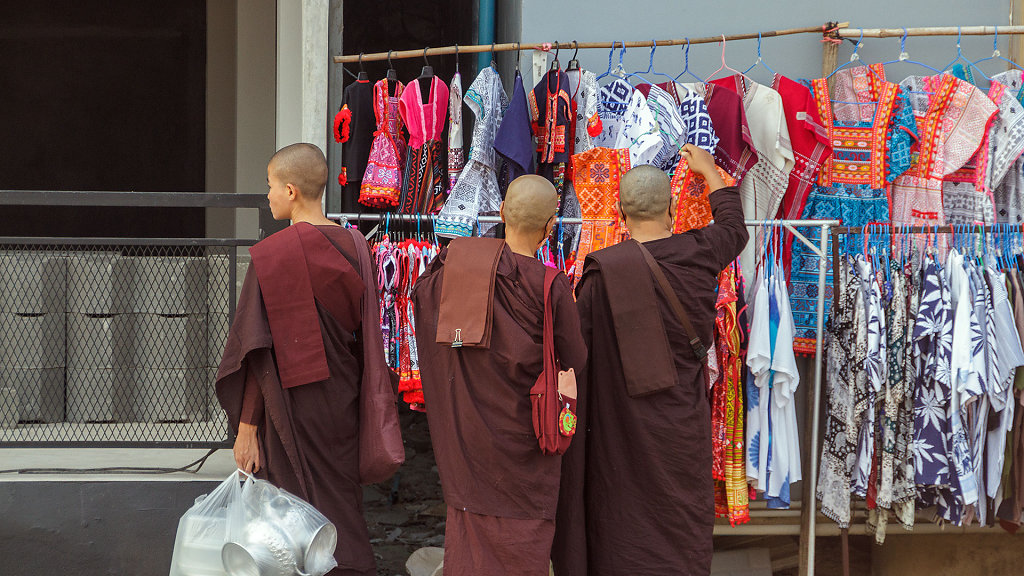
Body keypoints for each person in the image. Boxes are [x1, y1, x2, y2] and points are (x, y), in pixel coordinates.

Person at [552, 144, 748, 576]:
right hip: (680, 426)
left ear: (620, 213)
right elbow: (735, 228)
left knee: (622, 524)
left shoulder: (600, 274)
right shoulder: (700, 251)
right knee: (679, 526)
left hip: (619, 430)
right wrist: (710, 172)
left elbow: (577, 359)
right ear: (674, 206)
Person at [216, 143, 394, 576]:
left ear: (292, 190)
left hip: (289, 409)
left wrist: (246, 429)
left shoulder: (272, 257)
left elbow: (257, 349)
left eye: (271, 187)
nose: (269, 196)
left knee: (287, 519)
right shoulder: (355, 245)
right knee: (341, 509)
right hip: (341, 403)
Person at [412, 174, 588, 576]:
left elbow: (422, 300)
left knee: (470, 544)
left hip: (468, 439)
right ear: (550, 228)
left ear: (503, 213)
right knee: (522, 548)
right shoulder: (550, 285)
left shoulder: (454, 269)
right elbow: (575, 358)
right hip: (524, 447)